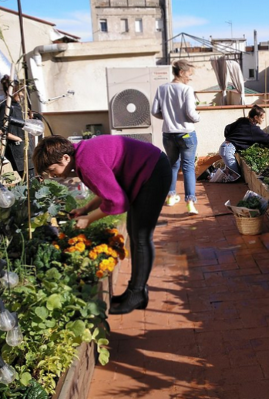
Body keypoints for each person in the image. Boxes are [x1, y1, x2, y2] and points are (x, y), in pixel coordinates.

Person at [32, 134, 172, 315]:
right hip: (148, 171)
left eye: (52, 170)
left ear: (65, 158)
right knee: (135, 234)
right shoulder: (83, 155)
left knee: (141, 238)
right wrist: (86, 209)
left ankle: (137, 294)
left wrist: (88, 219)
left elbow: (118, 202)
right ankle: (135, 291)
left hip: (153, 172)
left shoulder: (85, 162)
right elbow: (108, 188)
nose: (52, 175)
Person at [151, 59, 200, 215]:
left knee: (172, 165)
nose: (190, 78)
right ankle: (190, 203)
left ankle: (171, 197)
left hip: (168, 134)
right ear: (181, 72)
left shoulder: (162, 89)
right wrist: (198, 117)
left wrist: (167, 118)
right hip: (186, 134)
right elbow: (191, 114)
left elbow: (154, 111)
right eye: (189, 74)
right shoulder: (186, 90)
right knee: (188, 168)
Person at [0, 75, 35, 180]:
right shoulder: (7, 106)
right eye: (20, 92)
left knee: (32, 178)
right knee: (28, 180)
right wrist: (17, 138)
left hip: (25, 147)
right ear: (11, 92)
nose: (22, 94)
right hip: (17, 149)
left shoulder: (18, 106)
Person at [218, 105, 269, 176]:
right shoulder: (253, 129)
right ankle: (212, 176)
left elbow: (228, 128)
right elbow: (268, 138)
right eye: (262, 118)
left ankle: (213, 175)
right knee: (236, 176)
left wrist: (230, 139)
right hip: (228, 150)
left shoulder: (242, 120)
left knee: (235, 174)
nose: (263, 120)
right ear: (256, 117)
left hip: (225, 147)